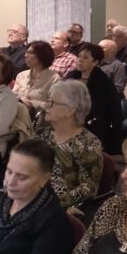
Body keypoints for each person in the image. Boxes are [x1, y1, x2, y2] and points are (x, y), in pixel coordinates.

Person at [37, 80, 104, 211]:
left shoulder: (89, 144)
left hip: (58, 210)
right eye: (48, 101)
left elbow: (88, 189)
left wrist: (49, 204)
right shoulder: (43, 133)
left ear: (70, 111)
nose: (46, 106)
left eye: (52, 103)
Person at [68, 42, 123, 154]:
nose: (80, 60)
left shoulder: (103, 82)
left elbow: (111, 111)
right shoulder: (70, 77)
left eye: (85, 57)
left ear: (95, 62)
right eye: (79, 56)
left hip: (92, 124)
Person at [13, 40, 60, 115]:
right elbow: (13, 97)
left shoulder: (54, 78)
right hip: (18, 114)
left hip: (40, 118)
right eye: (26, 52)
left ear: (42, 55)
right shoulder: (21, 75)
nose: (26, 55)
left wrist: (31, 103)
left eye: (31, 53)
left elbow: (53, 105)